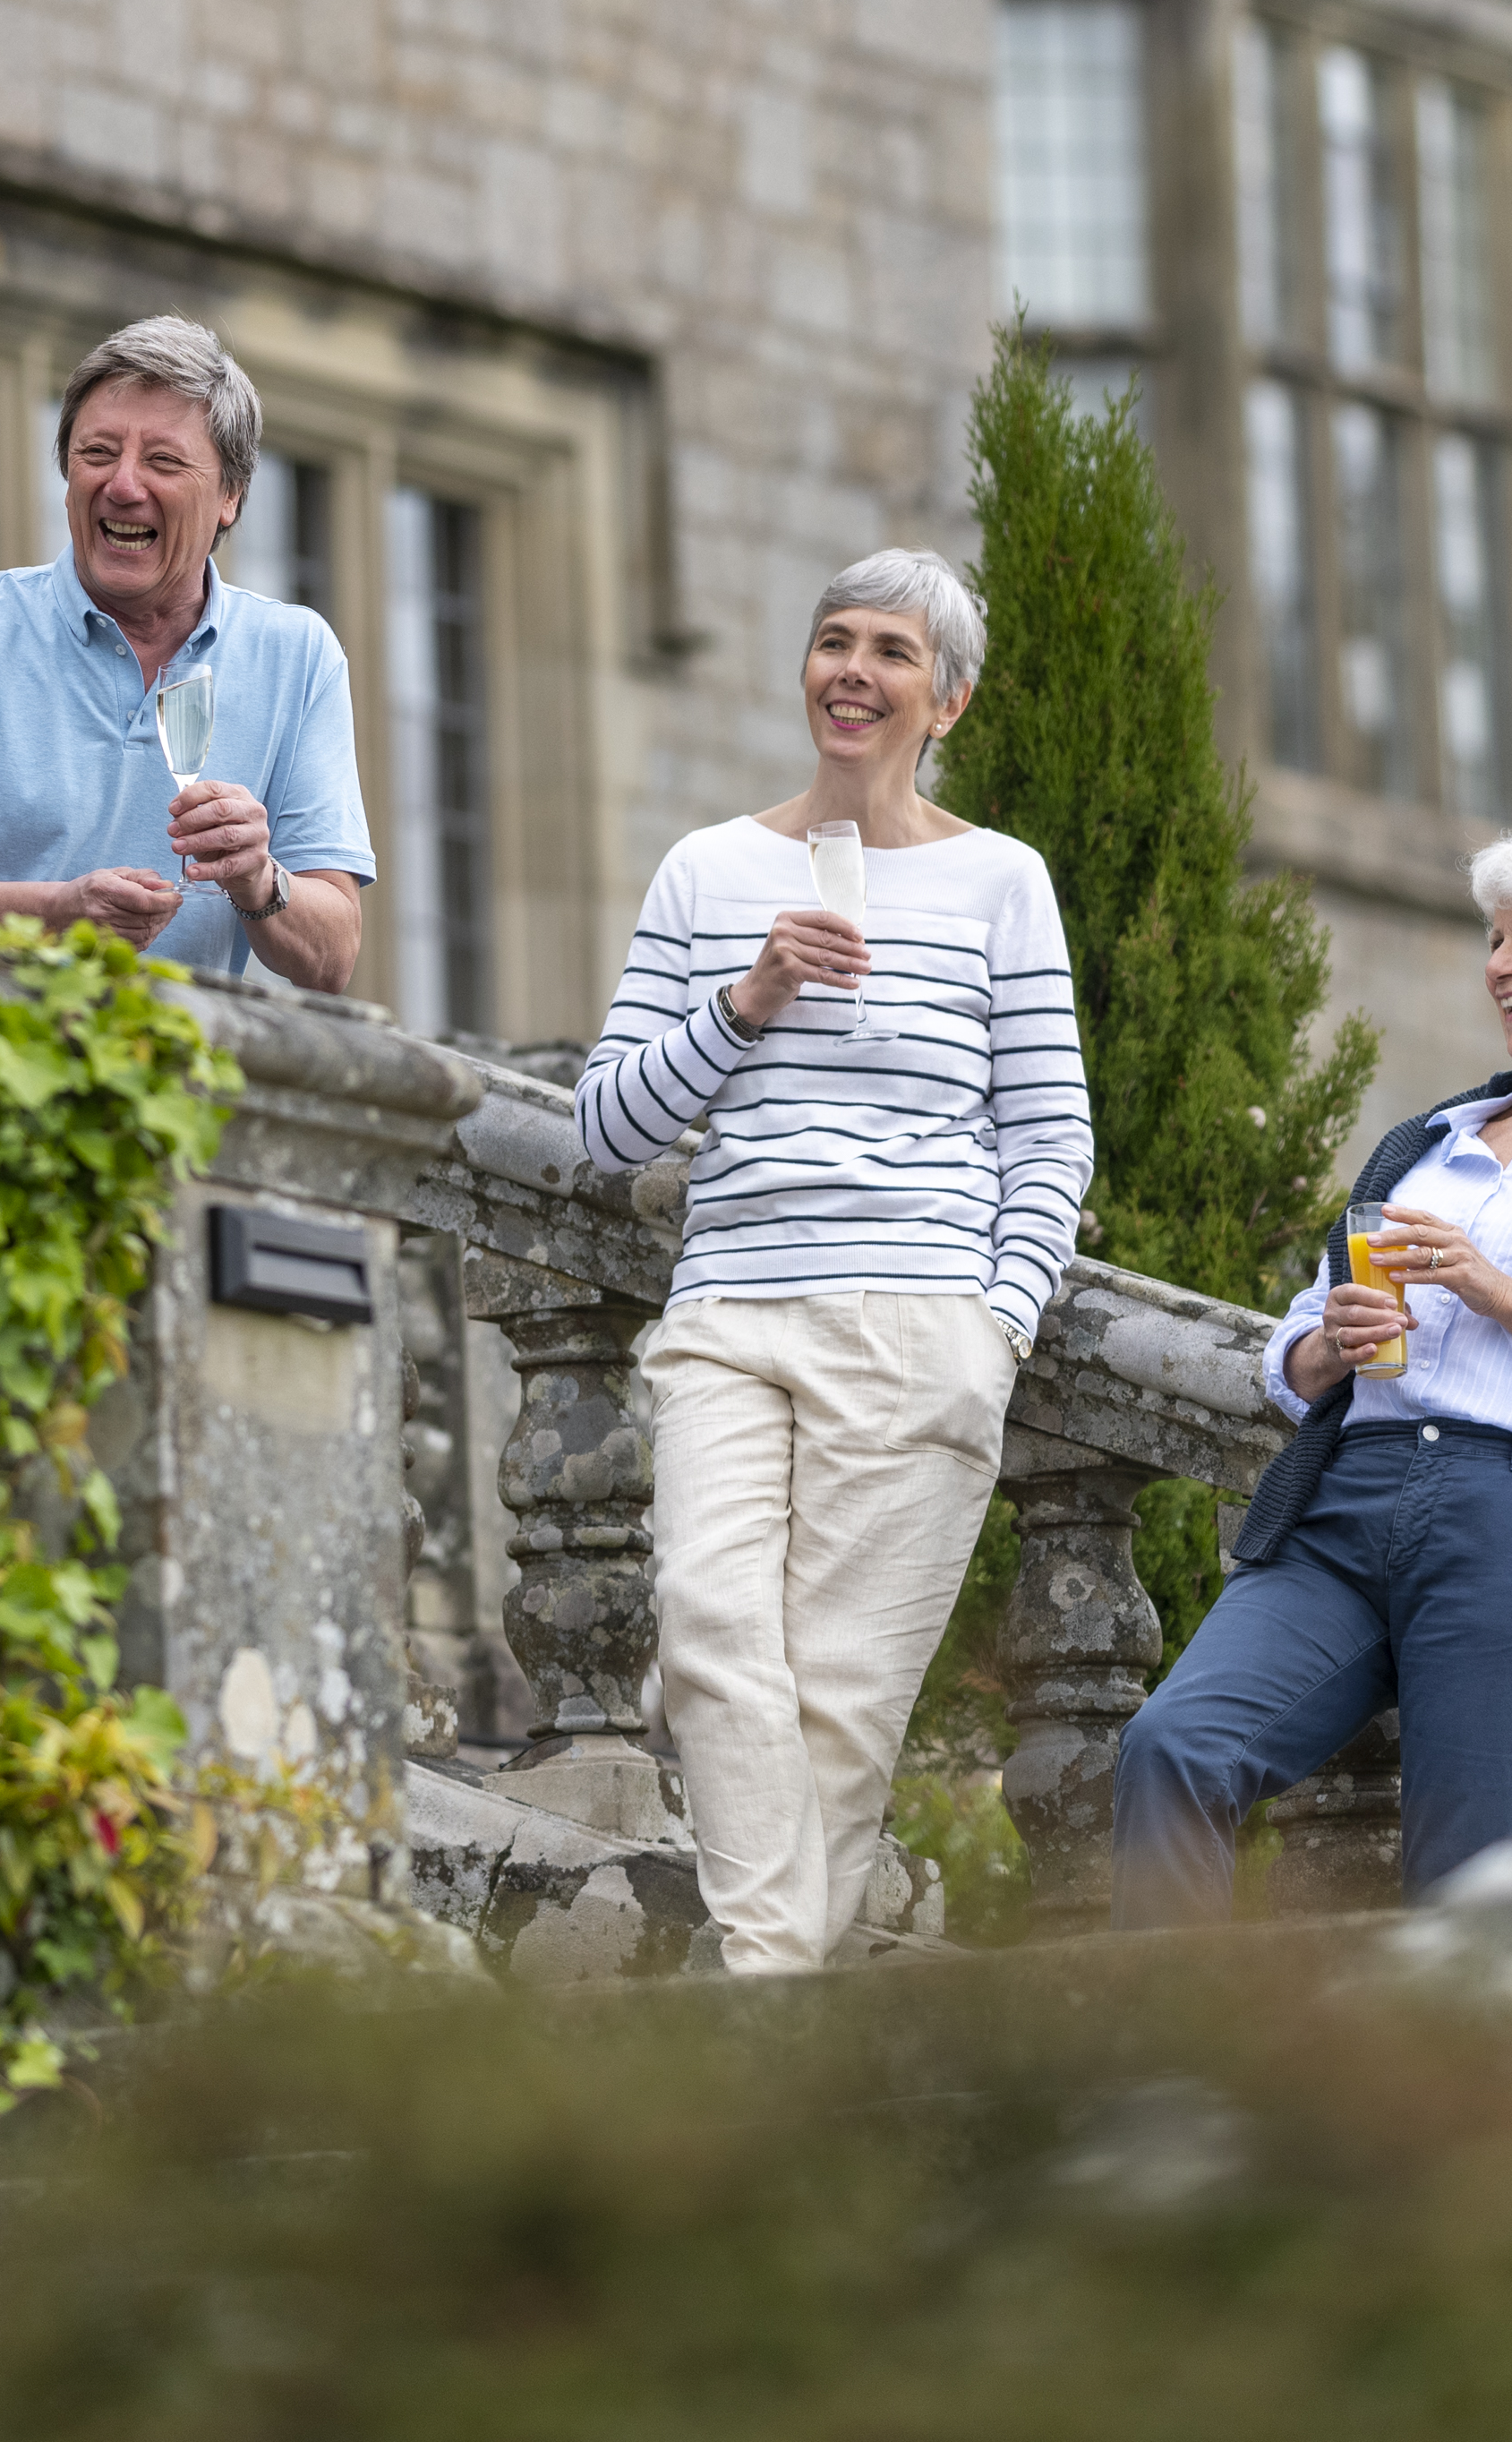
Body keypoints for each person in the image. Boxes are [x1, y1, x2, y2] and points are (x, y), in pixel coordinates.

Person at [570, 551, 1088, 1975]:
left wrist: (999, 1323)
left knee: (846, 1711)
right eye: (832, 641)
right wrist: (749, 998)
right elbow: (608, 1130)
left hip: (922, 1321)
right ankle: (778, 2018)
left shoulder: (1002, 882)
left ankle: (764, 2009)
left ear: (950, 701)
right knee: (709, 1624)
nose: (853, 669)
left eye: (893, 652)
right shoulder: (708, 870)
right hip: (731, 1309)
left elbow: (1049, 1140)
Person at [1107, 820, 1512, 1917]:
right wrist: (1327, 1344)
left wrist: (1500, 1291)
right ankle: (1168, 2082)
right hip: (1346, 1503)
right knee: (1173, 1747)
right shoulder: (1427, 1143)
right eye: (1493, 938)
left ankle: (1456, 2093)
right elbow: (1296, 1347)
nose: (1499, 963)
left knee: (1470, 1881)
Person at [0, 317, 370, 990]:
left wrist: (258, 878)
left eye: (162, 461)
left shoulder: (297, 657)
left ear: (230, 496)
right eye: (98, 453)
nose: (124, 485)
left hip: (183, 1082)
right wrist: (55, 913)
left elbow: (333, 957)